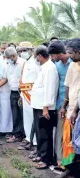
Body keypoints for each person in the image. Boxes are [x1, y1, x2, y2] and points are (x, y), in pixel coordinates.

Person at [0, 47, 26, 143]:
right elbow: (5, 79)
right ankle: (16, 135)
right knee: (15, 115)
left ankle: (25, 136)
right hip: (12, 92)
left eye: (8, 57)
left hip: (22, 93)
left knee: (24, 115)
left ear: (13, 56)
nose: (6, 59)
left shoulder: (23, 63)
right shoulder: (8, 64)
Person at [30, 45, 59, 169]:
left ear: (40, 56)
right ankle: (41, 155)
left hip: (45, 107)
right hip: (38, 105)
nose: (37, 59)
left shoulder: (50, 68)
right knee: (39, 132)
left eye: (37, 57)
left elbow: (50, 89)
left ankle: (46, 160)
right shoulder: (44, 67)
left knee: (45, 134)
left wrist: (46, 106)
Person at [48, 40, 72, 169]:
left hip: (73, 104)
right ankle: (60, 160)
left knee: (71, 134)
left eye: (53, 55)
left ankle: (70, 161)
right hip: (60, 105)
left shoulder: (74, 63)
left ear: (58, 54)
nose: (52, 58)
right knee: (60, 132)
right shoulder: (57, 66)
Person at [60, 38, 80, 176]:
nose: (69, 55)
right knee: (68, 140)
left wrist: (75, 110)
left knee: (77, 143)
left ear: (78, 52)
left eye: (71, 53)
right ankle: (68, 168)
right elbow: (67, 85)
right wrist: (64, 105)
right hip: (71, 109)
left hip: (77, 111)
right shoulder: (72, 66)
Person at [18, 41, 40, 150]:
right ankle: (28, 138)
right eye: (21, 51)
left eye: (25, 50)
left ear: (31, 51)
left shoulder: (36, 63)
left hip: (33, 95)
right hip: (25, 94)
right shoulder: (26, 63)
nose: (23, 52)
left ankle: (35, 141)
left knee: (33, 119)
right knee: (27, 118)